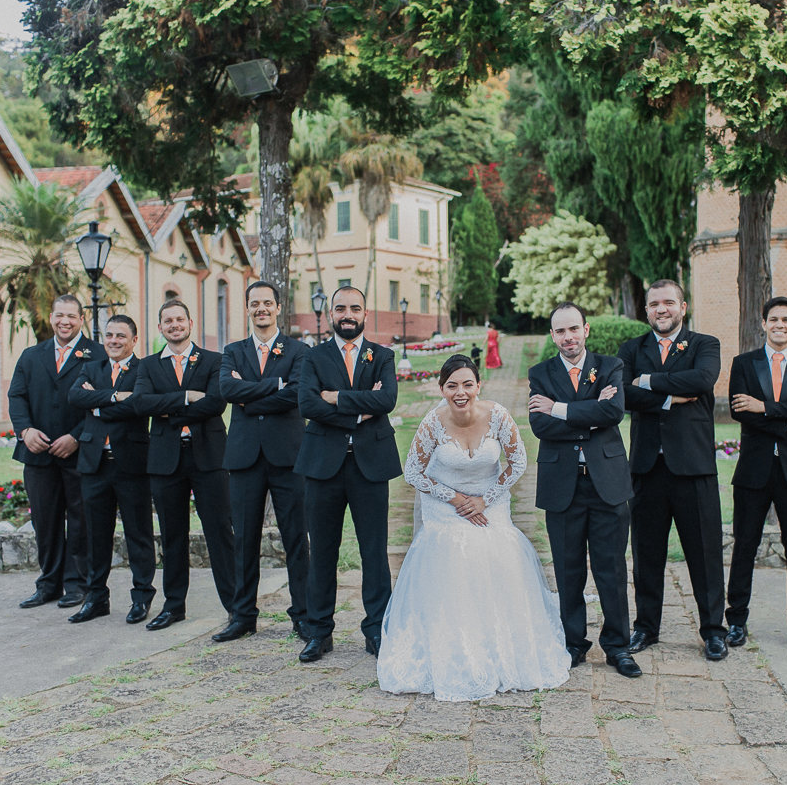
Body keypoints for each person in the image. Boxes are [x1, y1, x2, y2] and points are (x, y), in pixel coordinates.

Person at [378, 355, 570, 700]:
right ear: (442, 390)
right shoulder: (432, 422)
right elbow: (413, 472)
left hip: (490, 504)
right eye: (452, 386)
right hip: (444, 509)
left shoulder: (497, 415)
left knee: (497, 549)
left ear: (478, 386)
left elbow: (518, 461)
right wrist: (454, 499)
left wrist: (486, 498)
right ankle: (455, 652)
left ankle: (502, 650)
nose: (460, 392)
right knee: (454, 548)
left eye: (467, 384)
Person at [617, 280, 727, 661]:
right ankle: (646, 627)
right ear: (645, 311)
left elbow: (702, 380)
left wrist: (647, 382)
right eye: (653, 304)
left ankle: (714, 630)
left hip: (693, 466)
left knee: (705, 553)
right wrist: (669, 396)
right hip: (647, 467)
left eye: (668, 302)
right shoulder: (631, 349)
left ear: (683, 306)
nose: (661, 309)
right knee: (646, 553)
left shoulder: (704, 345)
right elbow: (623, 394)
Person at [529, 302, 640, 678]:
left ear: (586, 329)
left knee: (611, 569)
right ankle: (573, 644)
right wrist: (589, 411)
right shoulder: (539, 373)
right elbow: (539, 427)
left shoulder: (610, 367)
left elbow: (613, 413)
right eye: (560, 331)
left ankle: (618, 647)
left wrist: (559, 408)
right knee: (568, 570)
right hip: (562, 486)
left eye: (573, 329)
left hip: (607, 483)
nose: (568, 337)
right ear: (552, 336)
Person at [295, 286, 401, 663]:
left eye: (355, 307)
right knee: (322, 552)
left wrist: (335, 397)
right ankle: (319, 632)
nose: (347, 314)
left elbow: (386, 400)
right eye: (341, 308)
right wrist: (360, 407)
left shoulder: (383, 355)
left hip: (371, 465)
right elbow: (307, 402)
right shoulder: (312, 357)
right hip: (323, 466)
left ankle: (376, 630)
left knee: (374, 553)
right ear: (331, 314)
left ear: (365, 313)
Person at [724, 297, 787, 653]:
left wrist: (765, 407)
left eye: (786, 319)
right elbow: (741, 412)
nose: (780, 324)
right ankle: (735, 621)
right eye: (773, 319)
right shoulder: (744, 363)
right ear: (763, 324)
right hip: (753, 471)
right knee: (745, 547)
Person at [131, 300, 237, 630]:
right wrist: (185, 397)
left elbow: (216, 403)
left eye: (180, 319)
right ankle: (174, 605)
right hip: (166, 460)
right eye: (167, 321)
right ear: (160, 327)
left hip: (209, 457)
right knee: (172, 535)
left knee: (220, 532)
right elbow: (139, 403)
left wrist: (170, 414)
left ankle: (236, 608)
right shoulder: (148, 366)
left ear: (190, 322)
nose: (174, 324)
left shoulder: (213, 360)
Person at [217, 281, 310, 642]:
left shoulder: (298, 350)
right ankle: (243, 616)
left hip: (287, 455)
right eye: (255, 303)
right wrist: (275, 385)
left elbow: (298, 394)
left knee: (295, 539)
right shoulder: (232, 351)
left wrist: (250, 397)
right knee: (244, 540)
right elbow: (227, 390)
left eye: (267, 303)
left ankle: (301, 614)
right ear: (247, 309)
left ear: (277, 307)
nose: (261, 309)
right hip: (244, 456)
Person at [8, 294, 105, 610]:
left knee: (80, 522)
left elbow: (103, 402)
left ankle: (78, 584)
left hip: (78, 453)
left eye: (72, 316)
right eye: (59, 315)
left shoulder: (97, 355)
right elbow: (17, 397)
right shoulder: (31, 355)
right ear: (51, 317)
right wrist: (25, 431)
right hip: (37, 453)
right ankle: (48, 583)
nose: (65, 321)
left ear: (81, 319)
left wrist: (77, 437)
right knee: (45, 522)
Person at [66, 315, 156, 625]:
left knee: (138, 534)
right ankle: (97, 599)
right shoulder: (92, 367)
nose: (113, 341)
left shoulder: (144, 369)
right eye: (109, 335)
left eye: (120, 335)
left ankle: (142, 597)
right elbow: (75, 396)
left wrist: (98, 404)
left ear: (134, 340)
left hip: (131, 462)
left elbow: (139, 405)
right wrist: (116, 396)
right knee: (96, 535)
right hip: (95, 463)